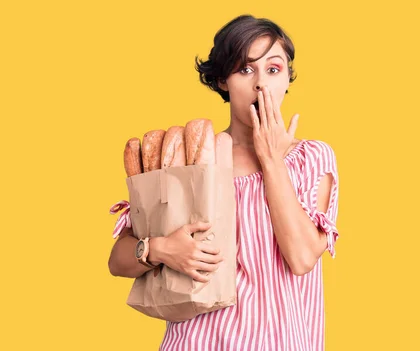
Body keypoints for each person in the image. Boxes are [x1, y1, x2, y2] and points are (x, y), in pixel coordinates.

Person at [108, 14, 340, 351]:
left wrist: (271, 159)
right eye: (245, 69)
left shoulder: (311, 158)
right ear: (222, 81)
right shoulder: (194, 158)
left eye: (273, 69)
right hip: (194, 342)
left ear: (287, 78)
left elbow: (302, 258)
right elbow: (118, 260)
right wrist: (161, 249)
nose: (261, 84)